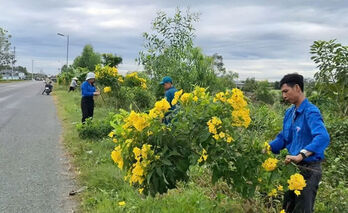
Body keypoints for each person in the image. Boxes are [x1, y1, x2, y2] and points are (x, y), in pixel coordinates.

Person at [269, 73, 330, 213]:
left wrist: (301, 155)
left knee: (302, 209)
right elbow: (284, 138)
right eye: (282, 92)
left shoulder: (311, 112)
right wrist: (268, 147)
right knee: (287, 207)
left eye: (286, 91)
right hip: (293, 169)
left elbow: (323, 137)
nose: (283, 96)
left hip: (309, 169)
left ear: (297, 88)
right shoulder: (289, 113)